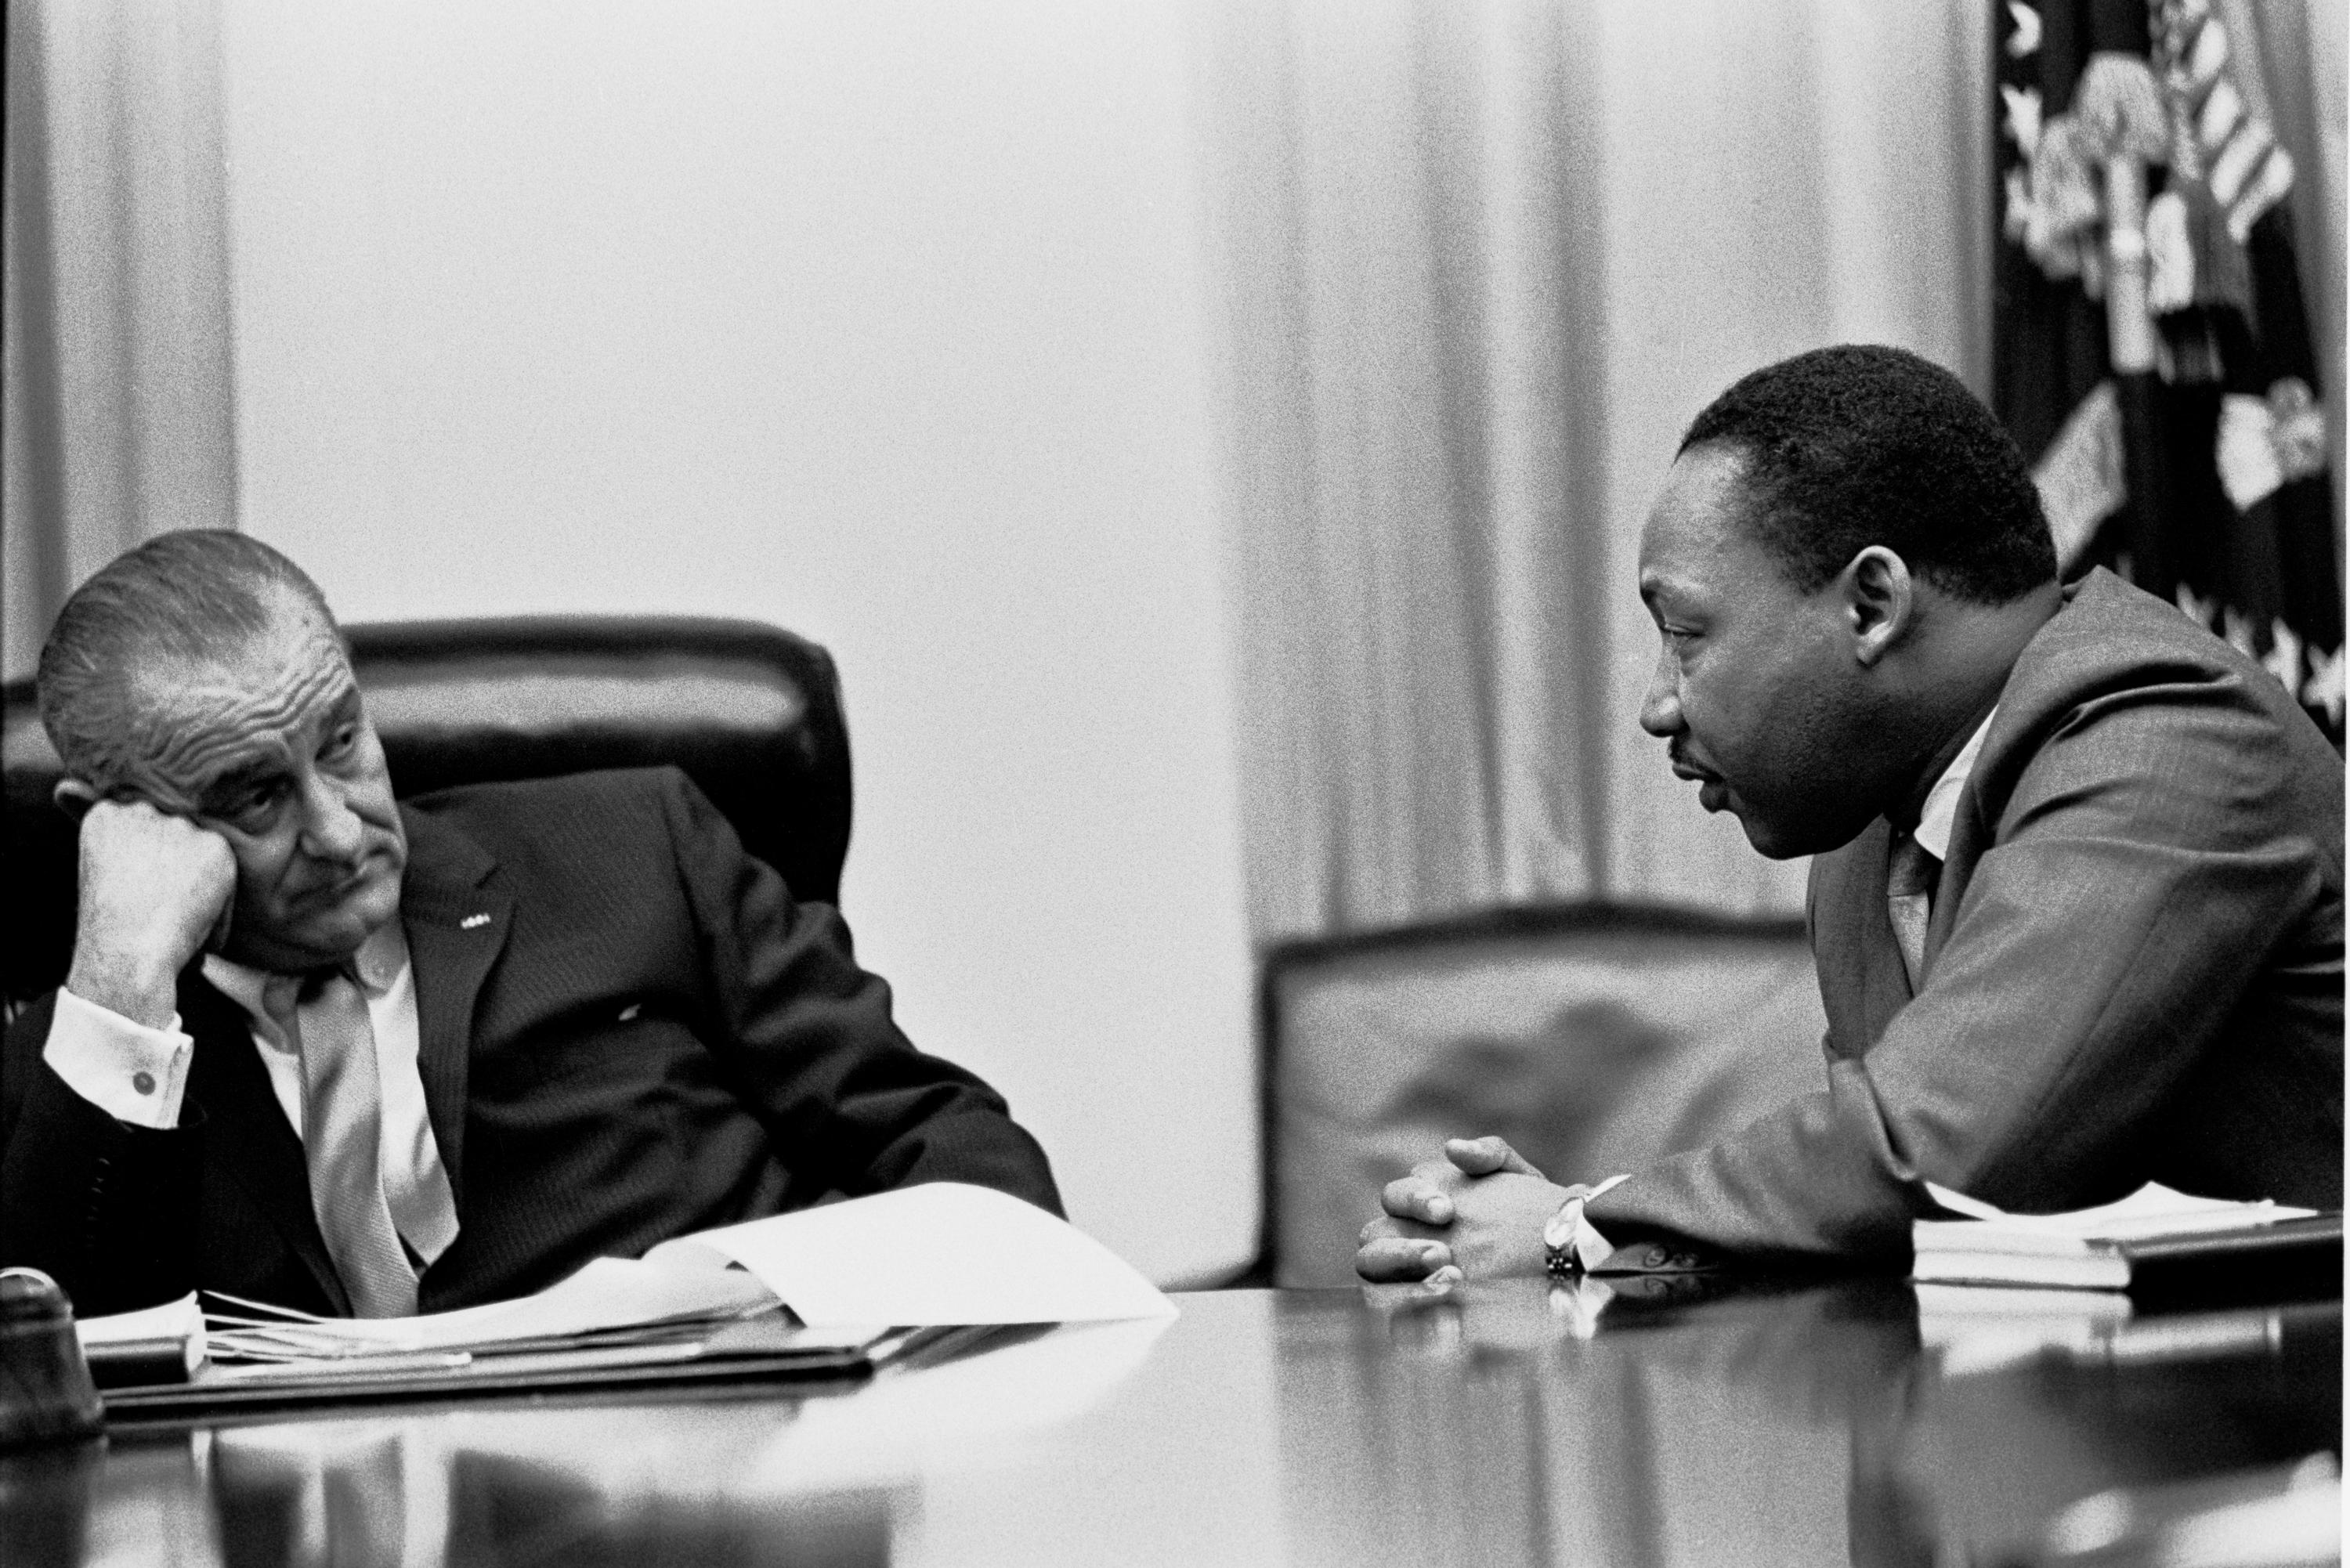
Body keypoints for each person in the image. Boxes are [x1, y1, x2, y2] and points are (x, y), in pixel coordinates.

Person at [1358, 345, 2344, 1284]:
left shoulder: (2165, 737)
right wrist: (1555, 1232)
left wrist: (1577, 1228)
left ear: (1872, 603)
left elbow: (1934, 1150)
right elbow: (1874, 1218)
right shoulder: (1871, 832)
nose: (1657, 705)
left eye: (1687, 636)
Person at [1, 529, 1061, 1317]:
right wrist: (120, 986)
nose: (336, 829)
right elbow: (42, 1393)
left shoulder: (637, 851)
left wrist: (782, 1315)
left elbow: (965, 1158)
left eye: (342, 742)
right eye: (253, 798)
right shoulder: (71, 1069)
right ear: (112, 825)